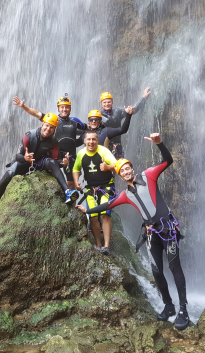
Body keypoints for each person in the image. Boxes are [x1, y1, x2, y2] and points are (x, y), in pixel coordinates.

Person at [75, 133, 189, 330]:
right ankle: (169, 306)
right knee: (156, 272)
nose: (126, 172)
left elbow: (168, 160)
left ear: (132, 169)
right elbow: (106, 205)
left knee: (174, 268)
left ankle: (183, 309)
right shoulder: (125, 195)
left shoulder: (149, 175)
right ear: (119, 175)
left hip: (168, 231)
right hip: (152, 234)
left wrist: (159, 143)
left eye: (128, 168)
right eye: (122, 171)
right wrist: (87, 210)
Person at [0, 113, 79, 211]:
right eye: (47, 125)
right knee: (8, 175)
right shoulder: (29, 135)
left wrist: (63, 163)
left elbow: (54, 161)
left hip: (39, 163)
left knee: (50, 161)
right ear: (42, 124)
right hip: (24, 162)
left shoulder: (54, 141)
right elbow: (17, 156)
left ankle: (67, 192)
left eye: (52, 127)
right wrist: (25, 158)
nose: (48, 129)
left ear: (55, 129)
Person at [12, 95, 85, 190]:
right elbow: (36, 113)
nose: (64, 109)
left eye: (67, 107)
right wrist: (23, 106)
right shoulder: (52, 121)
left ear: (70, 108)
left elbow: (89, 130)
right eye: (62, 107)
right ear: (58, 108)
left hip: (69, 156)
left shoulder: (74, 123)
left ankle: (71, 202)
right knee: (55, 182)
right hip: (54, 155)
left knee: (71, 184)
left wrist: (78, 142)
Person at [72, 130, 119, 256]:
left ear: (97, 141)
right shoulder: (81, 154)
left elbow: (117, 164)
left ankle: (106, 246)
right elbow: (76, 168)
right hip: (90, 189)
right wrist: (76, 182)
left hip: (106, 187)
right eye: (89, 139)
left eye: (94, 139)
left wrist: (108, 167)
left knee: (105, 214)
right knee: (92, 216)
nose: (91, 142)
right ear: (85, 141)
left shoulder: (103, 151)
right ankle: (98, 245)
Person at [100, 88, 151, 158]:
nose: (107, 104)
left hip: (117, 147)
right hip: (104, 147)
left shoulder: (117, 112)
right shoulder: (98, 116)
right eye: (104, 102)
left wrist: (144, 97)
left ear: (112, 102)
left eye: (109, 102)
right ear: (101, 104)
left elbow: (133, 110)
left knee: (119, 167)